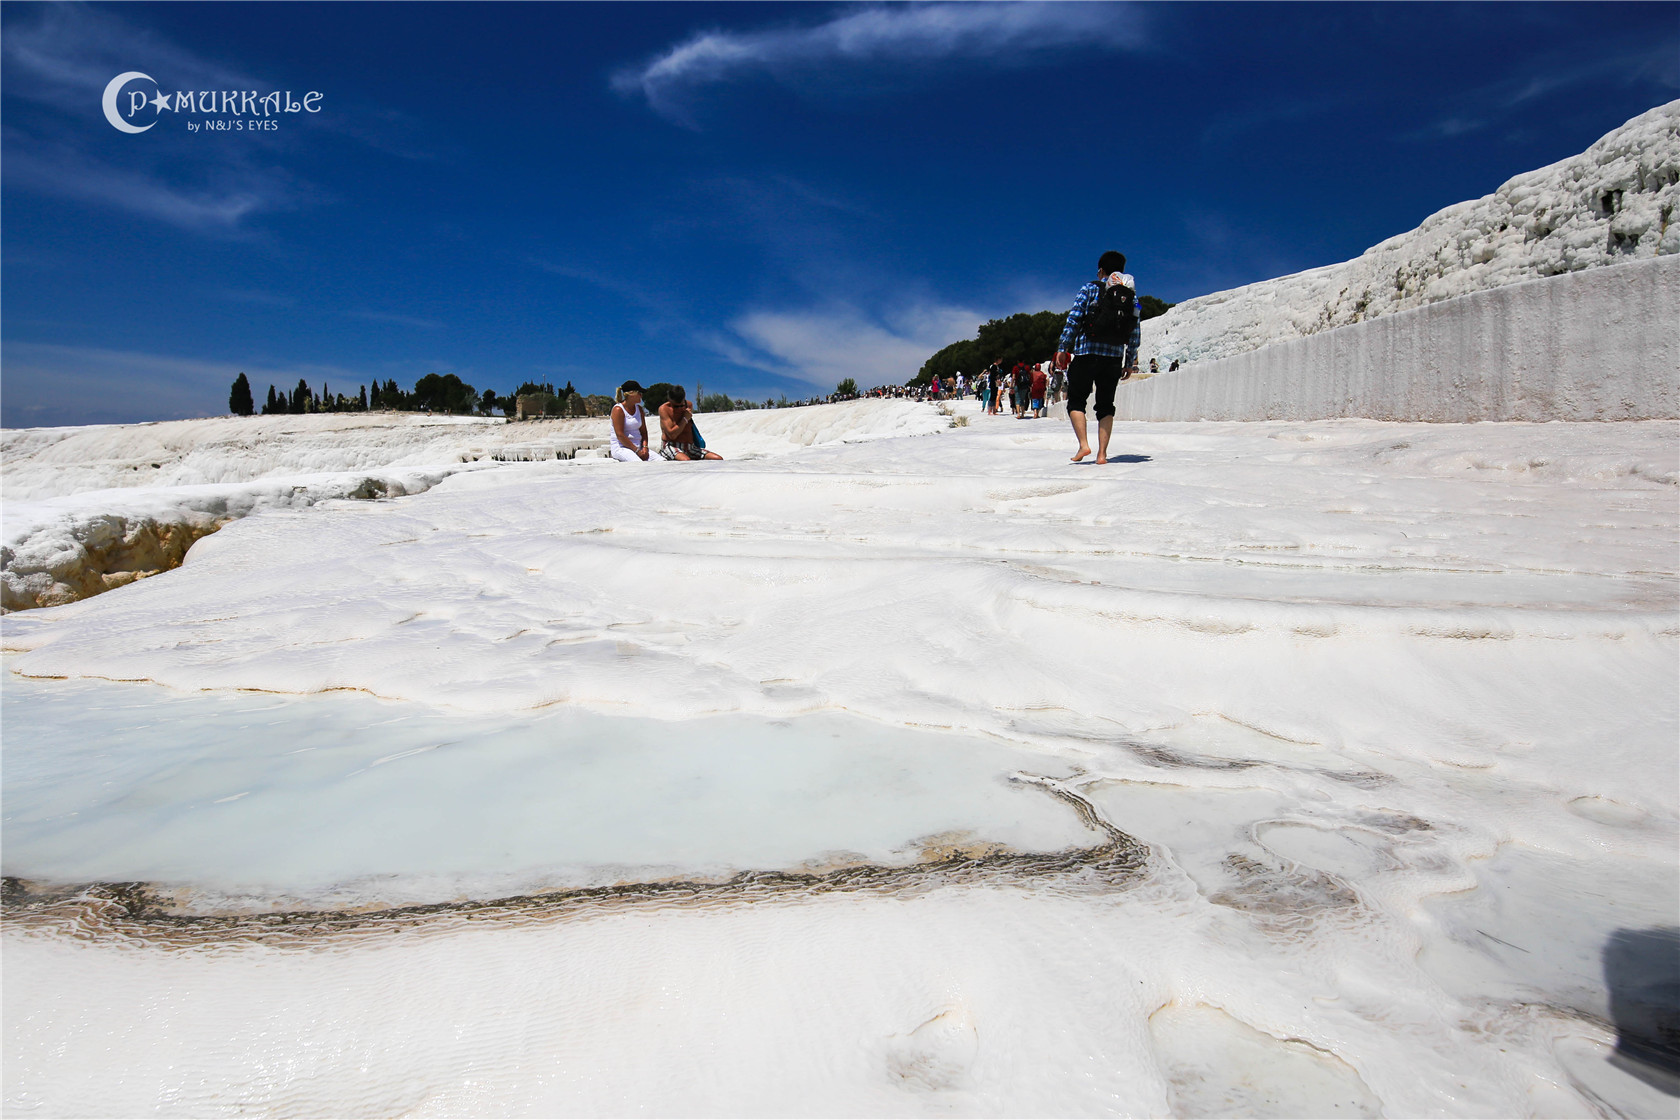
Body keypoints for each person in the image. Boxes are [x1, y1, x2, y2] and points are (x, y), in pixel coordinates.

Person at [1054, 250, 1141, 464]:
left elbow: (1074, 319)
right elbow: (1135, 331)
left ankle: (1084, 445)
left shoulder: (1090, 289)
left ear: (1101, 270)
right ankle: (1102, 454)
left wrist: (1063, 347)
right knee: (1106, 405)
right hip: (1113, 358)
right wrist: (1129, 362)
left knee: (1076, 401)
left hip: (1086, 353)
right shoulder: (1133, 298)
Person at [659, 385, 722, 461]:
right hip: (672, 445)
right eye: (675, 406)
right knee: (686, 461)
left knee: (718, 459)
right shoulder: (664, 409)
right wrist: (685, 419)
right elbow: (672, 435)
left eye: (681, 405)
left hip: (690, 447)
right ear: (669, 400)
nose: (679, 409)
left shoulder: (688, 405)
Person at [609, 380, 650, 462]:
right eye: (639, 393)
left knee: (660, 460)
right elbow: (620, 435)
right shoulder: (618, 409)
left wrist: (645, 448)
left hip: (638, 448)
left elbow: (644, 432)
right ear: (632, 394)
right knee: (638, 463)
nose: (641, 396)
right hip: (621, 448)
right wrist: (637, 451)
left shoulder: (639, 409)